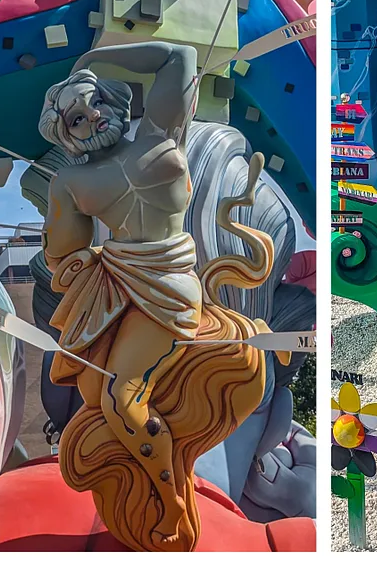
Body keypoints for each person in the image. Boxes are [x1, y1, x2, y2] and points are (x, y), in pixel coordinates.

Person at [39, 41, 273, 549]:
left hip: (169, 284)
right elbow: (64, 255)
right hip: (119, 282)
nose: (92, 116)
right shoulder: (70, 181)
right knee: (100, 395)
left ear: (111, 97)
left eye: (94, 101)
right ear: (67, 136)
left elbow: (178, 59)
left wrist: (92, 60)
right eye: (76, 120)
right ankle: (148, 488)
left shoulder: (159, 132)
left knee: (123, 398)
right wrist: (76, 258)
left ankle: (173, 508)